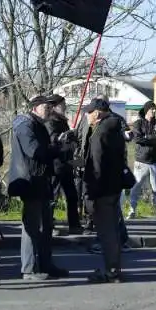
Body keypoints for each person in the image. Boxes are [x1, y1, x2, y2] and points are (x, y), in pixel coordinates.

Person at [11, 95, 69, 281]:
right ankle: (28, 269)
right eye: (46, 107)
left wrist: (58, 145)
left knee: (46, 225)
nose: (50, 110)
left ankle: (46, 264)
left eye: (51, 107)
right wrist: (57, 149)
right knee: (31, 226)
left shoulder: (38, 125)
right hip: (30, 180)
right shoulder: (26, 126)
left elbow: (43, 149)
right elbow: (34, 151)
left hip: (41, 179)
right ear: (35, 107)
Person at [82, 98, 127, 283]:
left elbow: (97, 165)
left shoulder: (100, 133)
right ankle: (114, 267)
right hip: (115, 186)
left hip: (103, 189)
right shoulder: (116, 129)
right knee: (113, 230)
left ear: (97, 113)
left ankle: (111, 271)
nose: (86, 116)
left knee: (106, 232)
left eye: (88, 112)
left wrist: (92, 191)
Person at [46, 94, 81, 233]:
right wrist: (64, 138)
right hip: (55, 164)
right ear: (55, 106)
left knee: (72, 195)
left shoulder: (61, 120)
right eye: (62, 104)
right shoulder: (50, 121)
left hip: (66, 163)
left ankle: (74, 225)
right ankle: (49, 225)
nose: (65, 107)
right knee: (53, 196)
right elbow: (53, 140)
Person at [128, 101, 156, 219]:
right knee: (136, 186)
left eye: (155, 109)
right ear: (146, 111)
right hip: (141, 161)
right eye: (151, 109)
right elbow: (137, 139)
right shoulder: (138, 123)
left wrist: (147, 137)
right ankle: (132, 210)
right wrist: (151, 139)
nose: (154, 111)